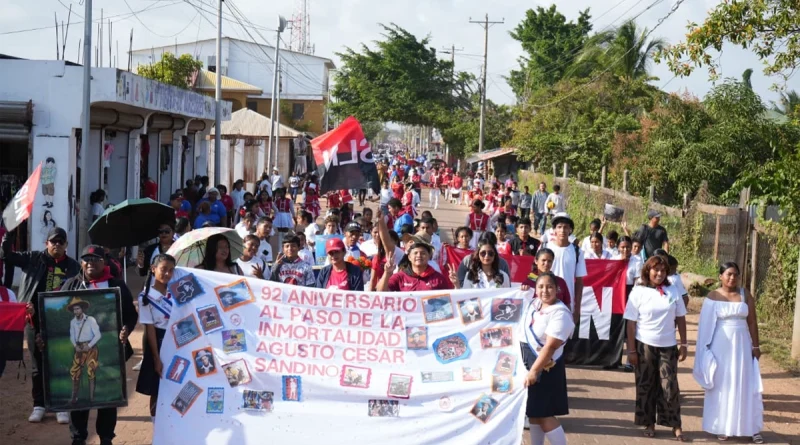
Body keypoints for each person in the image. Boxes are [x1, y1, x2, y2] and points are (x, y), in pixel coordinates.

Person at [60, 245, 137, 445]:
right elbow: (61, 318)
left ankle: (105, 437)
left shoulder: (117, 285)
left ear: (105, 262)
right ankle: (78, 437)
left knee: (108, 391)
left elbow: (130, 314)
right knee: (78, 391)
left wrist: (126, 329)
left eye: (95, 259)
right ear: (81, 262)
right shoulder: (71, 285)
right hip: (77, 350)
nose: (90, 263)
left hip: (108, 349)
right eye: (86, 259)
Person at [1, 227, 79, 424]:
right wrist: (9, 233)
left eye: (61, 242)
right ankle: (39, 405)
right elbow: (6, 255)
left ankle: (60, 405)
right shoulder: (32, 258)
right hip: (33, 319)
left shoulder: (73, 266)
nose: (57, 245)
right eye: (54, 241)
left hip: (61, 320)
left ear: (66, 245)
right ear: (47, 243)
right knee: (37, 364)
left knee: (60, 362)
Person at [694, 262, 764, 444]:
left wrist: (755, 346)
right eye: (729, 274)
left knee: (746, 384)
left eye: (735, 274)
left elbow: (752, 322)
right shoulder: (713, 296)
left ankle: (751, 427)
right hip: (721, 346)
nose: (732, 278)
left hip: (742, 345)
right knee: (722, 384)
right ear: (720, 276)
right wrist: (704, 351)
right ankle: (722, 426)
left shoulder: (745, 294)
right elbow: (705, 327)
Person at [624, 255, 688, 441]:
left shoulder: (673, 290)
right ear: (647, 271)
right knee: (646, 385)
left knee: (669, 386)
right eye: (655, 270)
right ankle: (648, 422)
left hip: (668, 346)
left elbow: (681, 318)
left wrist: (683, 343)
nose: (659, 274)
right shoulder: (638, 291)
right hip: (644, 345)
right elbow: (630, 324)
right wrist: (631, 351)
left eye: (663, 270)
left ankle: (675, 425)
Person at [522, 273, 575, 445]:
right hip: (531, 364)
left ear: (557, 289)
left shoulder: (561, 313)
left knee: (545, 416)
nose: (545, 290)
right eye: (541, 287)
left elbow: (550, 347)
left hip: (545, 368)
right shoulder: (535, 304)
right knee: (535, 413)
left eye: (549, 287)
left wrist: (534, 372)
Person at [135, 254, 176, 424]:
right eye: (163, 269)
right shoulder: (145, 297)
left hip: (176, 340)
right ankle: (156, 424)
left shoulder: (175, 291)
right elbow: (150, 329)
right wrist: (156, 358)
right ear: (153, 269)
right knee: (156, 386)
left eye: (171, 271)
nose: (167, 274)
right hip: (157, 341)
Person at [547, 213, 586, 322]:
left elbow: (579, 282)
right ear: (554, 230)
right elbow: (535, 273)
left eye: (566, 227)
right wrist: (527, 282)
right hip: (545, 301)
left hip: (567, 304)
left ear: (570, 230)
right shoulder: (545, 247)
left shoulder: (577, 252)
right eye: (559, 227)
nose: (562, 230)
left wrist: (577, 309)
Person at [381, 237, 452, 292]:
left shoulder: (439, 278)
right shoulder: (400, 277)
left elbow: (447, 302)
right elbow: (380, 293)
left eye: (423, 253)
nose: (419, 256)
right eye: (415, 253)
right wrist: (387, 273)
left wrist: (456, 285)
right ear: (409, 257)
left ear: (429, 257)